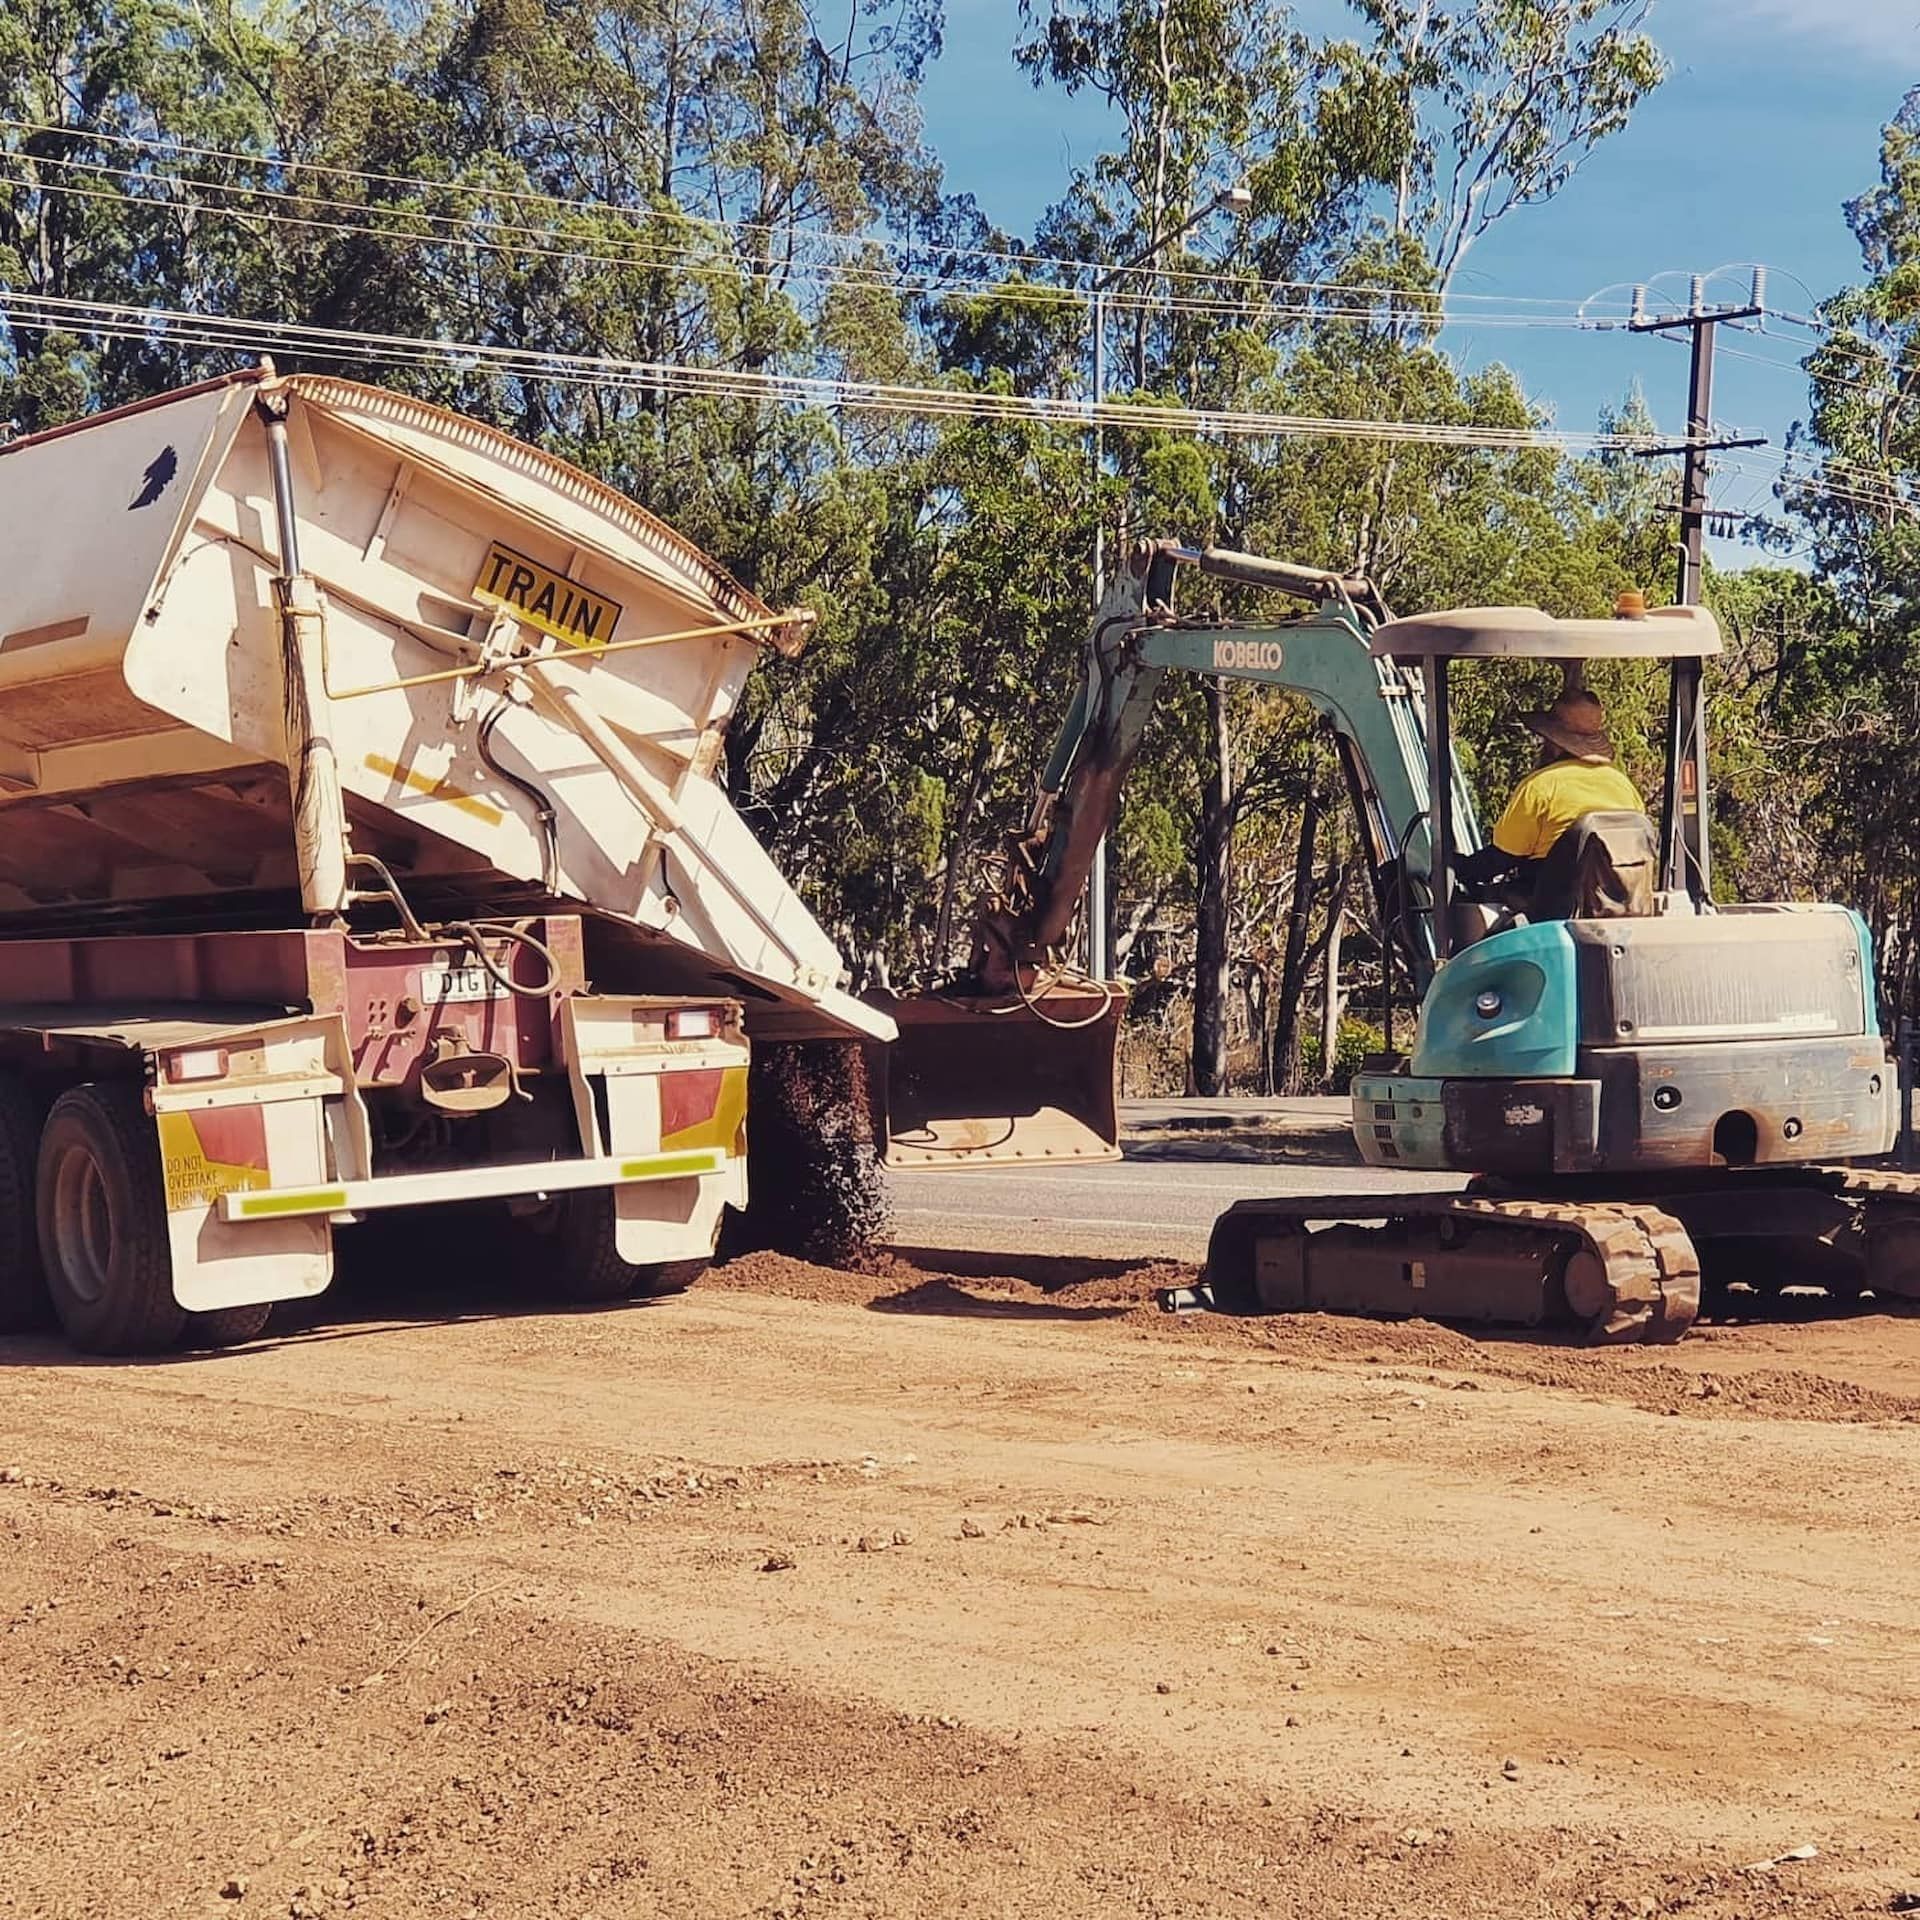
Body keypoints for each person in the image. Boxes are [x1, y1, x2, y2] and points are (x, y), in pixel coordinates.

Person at [1454, 685, 1644, 897]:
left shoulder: (1541, 786)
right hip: (1618, 906)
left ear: (1554, 742)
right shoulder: (1625, 787)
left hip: (1551, 907)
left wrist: (1458, 866)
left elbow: (1501, 859)